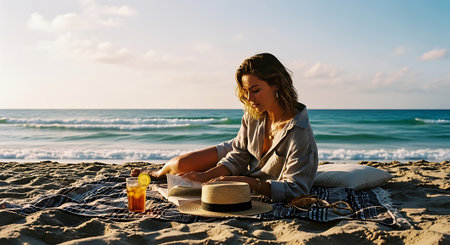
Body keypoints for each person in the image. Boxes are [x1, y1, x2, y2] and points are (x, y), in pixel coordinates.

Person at [132, 53, 318, 202]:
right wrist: (206, 175)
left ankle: (164, 173)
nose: (250, 99)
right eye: (246, 92)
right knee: (180, 165)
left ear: (276, 84)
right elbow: (238, 155)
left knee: (188, 173)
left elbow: (297, 188)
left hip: (250, 172)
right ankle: (157, 173)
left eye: (255, 90)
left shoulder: (299, 133)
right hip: (237, 148)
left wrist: (247, 182)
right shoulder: (253, 114)